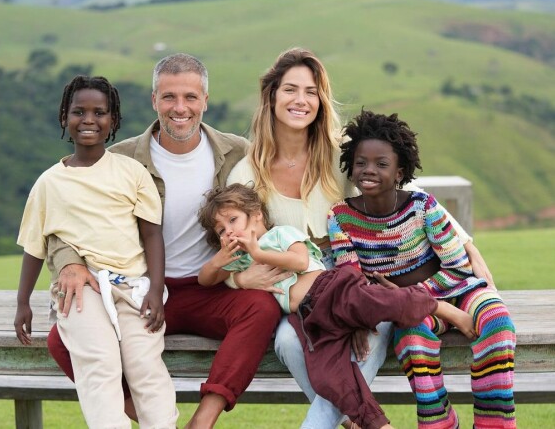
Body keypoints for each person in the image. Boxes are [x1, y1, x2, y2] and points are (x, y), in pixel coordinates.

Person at [226, 47, 494, 429]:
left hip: (357, 271)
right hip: (295, 284)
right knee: (287, 343)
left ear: (321, 100)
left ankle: (354, 417)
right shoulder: (246, 172)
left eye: (311, 91)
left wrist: (465, 242)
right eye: (289, 89)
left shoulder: (340, 153)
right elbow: (229, 238)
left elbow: (404, 191)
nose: (300, 100)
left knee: (369, 334)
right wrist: (239, 278)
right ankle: (357, 417)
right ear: (271, 96)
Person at [44, 55, 282, 429]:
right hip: (137, 291)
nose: (180, 108)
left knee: (261, 309)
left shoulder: (238, 151)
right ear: (154, 100)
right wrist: (70, 262)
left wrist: (243, 273)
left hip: (209, 286)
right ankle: (134, 411)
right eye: (169, 97)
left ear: (206, 99)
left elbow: (269, 210)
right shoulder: (118, 158)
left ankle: (203, 420)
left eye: (190, 97)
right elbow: (63, 220)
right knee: (61, 339)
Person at [197, 183, 477, 429]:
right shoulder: (240, 260)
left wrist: (259, 252)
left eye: (233, 220)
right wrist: (224, 264)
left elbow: (301, 262)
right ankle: (376, 424)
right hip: (308, 320)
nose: (229, 232)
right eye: (221, 230)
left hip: (331, 291)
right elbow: (205, 279)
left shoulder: (280, 235)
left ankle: (440, 308)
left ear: (256, 214)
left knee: (384, 300)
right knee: (330, 378)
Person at [329, 109, 516, 429]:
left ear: (400, 171)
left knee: (498, 323)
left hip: (462, 293)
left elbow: (458, 268)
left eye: (381, 164)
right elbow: (352, 278)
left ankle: (493, 423)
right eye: (361, 162)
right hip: (410, 311)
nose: (368, 170)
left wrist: (411, 296)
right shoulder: (340, 218)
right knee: (411, 338)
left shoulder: (423, 207)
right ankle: (440, 421)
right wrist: (359, 317)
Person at [14, 75, 178, 429]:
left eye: (99, 112)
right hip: (79, 291)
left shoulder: (131, 172)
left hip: (133, 287)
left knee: (145, 366)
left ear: (113, 121)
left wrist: (155, 290)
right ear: (64, 118)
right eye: (78, 111)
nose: (89, 119)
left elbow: (152, 236)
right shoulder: (48, 183)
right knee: (99, 363)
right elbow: (34, 248)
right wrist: (22, 302)